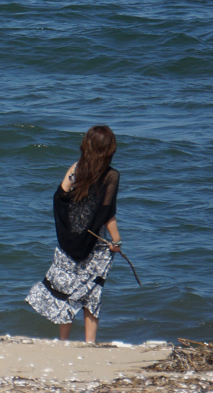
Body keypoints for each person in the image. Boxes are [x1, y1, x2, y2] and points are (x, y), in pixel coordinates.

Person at [26, 125, 122, 343]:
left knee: (64, 293)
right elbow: (108, 213)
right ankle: (89, 343)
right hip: (94, 245)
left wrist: (71, 225)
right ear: (109, 150)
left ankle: (64, 341)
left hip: (69, 242)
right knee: (92, 294)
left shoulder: (76, 169)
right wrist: (117, 241)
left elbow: (60, 195)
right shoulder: (111, 176)